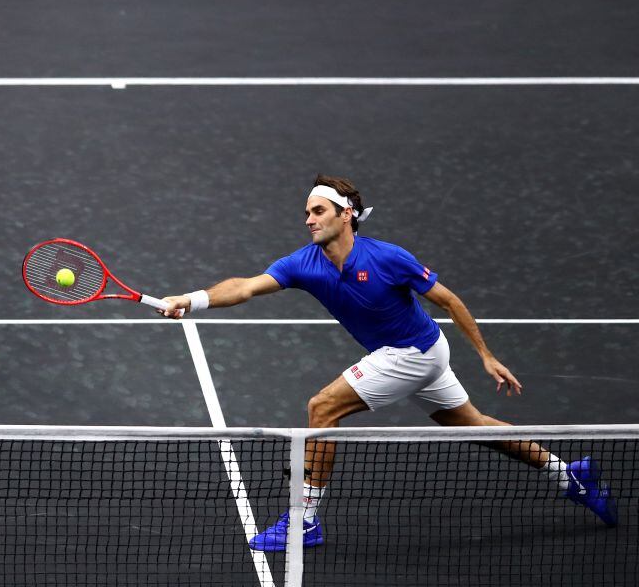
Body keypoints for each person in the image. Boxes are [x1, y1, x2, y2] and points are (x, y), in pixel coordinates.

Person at [160, 174, 617, 551]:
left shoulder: (387, 258)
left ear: (346, 215)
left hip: (413, 353)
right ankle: (567, 473)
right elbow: (244, 287)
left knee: (322, 408)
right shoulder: (304, 263)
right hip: (418, 353)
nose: (308, 219)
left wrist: (487, 356)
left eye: (317, 211)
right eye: (306, 213)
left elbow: (449, 300)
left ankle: (304, 521)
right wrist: (191, 299)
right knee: (475, 426)